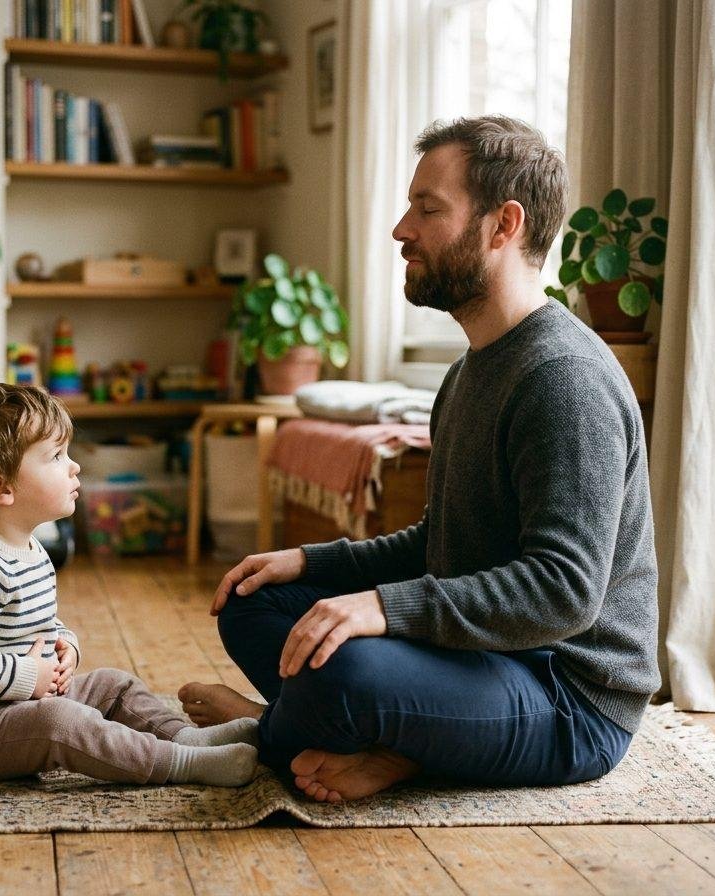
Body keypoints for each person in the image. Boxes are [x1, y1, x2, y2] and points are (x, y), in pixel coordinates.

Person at [180, 115, 661, 803]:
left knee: (337, 671)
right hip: (485, 660)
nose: (402, 229)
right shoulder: (470, 372)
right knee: (253, 603)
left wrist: (382, 607)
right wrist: (314, 565)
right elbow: (444, 542)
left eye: (428, 209)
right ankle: (365, 742)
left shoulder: (564, 378)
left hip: (566, 699)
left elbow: (563, 591)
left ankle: (271, 732)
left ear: (504, 226)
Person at [0, 380, 258, 787]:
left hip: (17, 700)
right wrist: (29, 676)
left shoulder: (31, 548)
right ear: (2, 488)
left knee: (113, 685)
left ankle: (186, 738)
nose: (74, 466)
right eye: (56, 456)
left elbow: (38, 625)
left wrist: (65, 645)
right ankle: (177, 762)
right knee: (61, 722)